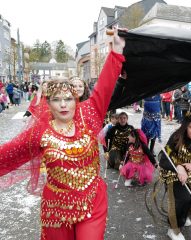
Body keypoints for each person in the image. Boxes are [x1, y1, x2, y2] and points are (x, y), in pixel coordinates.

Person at [0, 27, 126, 239]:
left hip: (91, 202)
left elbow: (105, 86)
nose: (63, 105)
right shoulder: (40, 132)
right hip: (56, 208)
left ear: (75, 100)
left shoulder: (89, 114)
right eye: (56, 100)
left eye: (68, 99)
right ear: (48, 103)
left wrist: (116, 51)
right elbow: (8, 153)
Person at [158, 111, 191, 240]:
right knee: (183, 199)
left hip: (190, 173)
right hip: (172, 172)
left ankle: (183, 215)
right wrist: (178, 167)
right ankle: (173, 229)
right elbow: (163, 160)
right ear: (185, 125)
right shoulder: (176, 137)